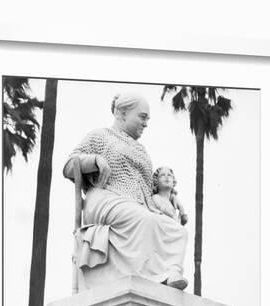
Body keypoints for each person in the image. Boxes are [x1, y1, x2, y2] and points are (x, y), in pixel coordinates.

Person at [63, 92, 188, 291]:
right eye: (142, 117)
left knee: (178, 231)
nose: (146, 123)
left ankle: (169, 273)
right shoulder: (101, 135)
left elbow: (150, 190)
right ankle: (150, 277)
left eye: (147, 119)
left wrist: (170, 199)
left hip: (140, 205)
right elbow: (69, 166)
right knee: (144, 220)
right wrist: (93, 160)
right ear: (122, 113)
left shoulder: (142, 150)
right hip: (106, 197)